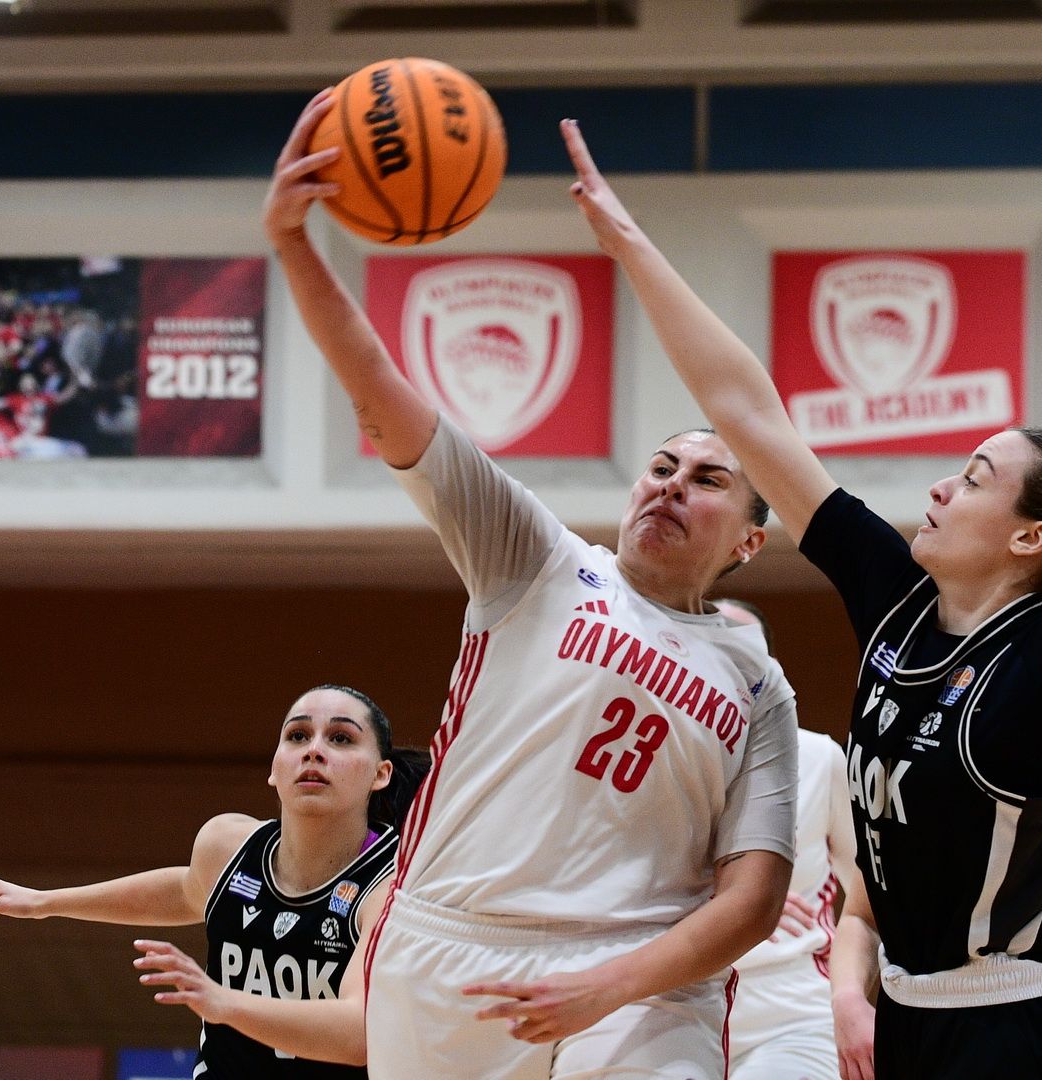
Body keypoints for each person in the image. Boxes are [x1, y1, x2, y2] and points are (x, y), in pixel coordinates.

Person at [559, 117, 1042, 1079]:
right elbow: (748, 410)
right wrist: (630, 246)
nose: (939, 487)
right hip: (910, 1018)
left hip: (1023, 1028)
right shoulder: (895, 596)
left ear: (1030, 536)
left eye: (972, 479)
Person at [263, 90, 799, 1080]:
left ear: (751, 541)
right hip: (452, 946)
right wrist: (296, 246)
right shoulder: (539, 558)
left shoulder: (759, 686)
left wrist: (613, 983)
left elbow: (753, 900)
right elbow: (384, 397)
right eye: (662, 466)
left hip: (638, 976)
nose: (673, 484)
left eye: (709, 479)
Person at [0, 685, 427, 1077]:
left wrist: (224, 1003)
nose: (314, 750)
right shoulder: (227, 846)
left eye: (340, 739)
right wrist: (43, 901)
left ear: (381, 774)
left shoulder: (393, 885)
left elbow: (358, 1032)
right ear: (273, 769)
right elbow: (189, 891)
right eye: (297, 736)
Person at [713, 598, 860, 1080]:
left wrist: (851, 998)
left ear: (770, 669)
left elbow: (870, 899)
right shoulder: (653, 758)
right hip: (672, 1002)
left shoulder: (817, 756)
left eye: (744, 650)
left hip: (791, 1012)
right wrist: (735, 904)